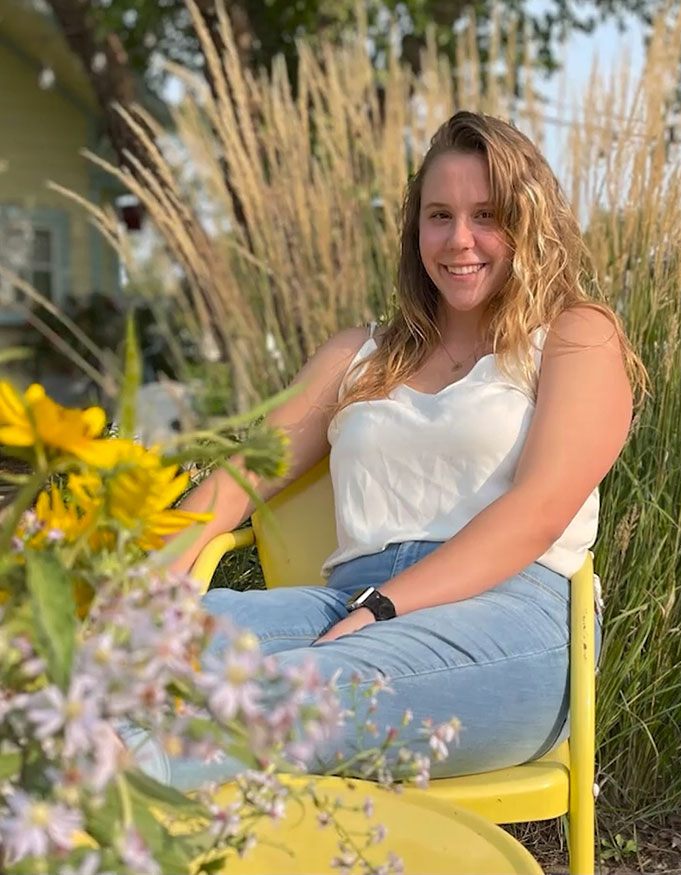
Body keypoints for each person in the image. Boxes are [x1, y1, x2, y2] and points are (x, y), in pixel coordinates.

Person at [123, 110, 648, 791]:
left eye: (486, 214)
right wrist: (139, 578)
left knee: (298, 692)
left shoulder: (576, 336)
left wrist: (385, 606)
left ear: (526, 221)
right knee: (118, 646)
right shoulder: (359, 354)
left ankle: (101, 793)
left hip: (512, 616)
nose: (460, 239)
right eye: (439, 215)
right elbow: (244, 474)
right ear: (415, 229)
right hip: (346, 604)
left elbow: (539, 508)